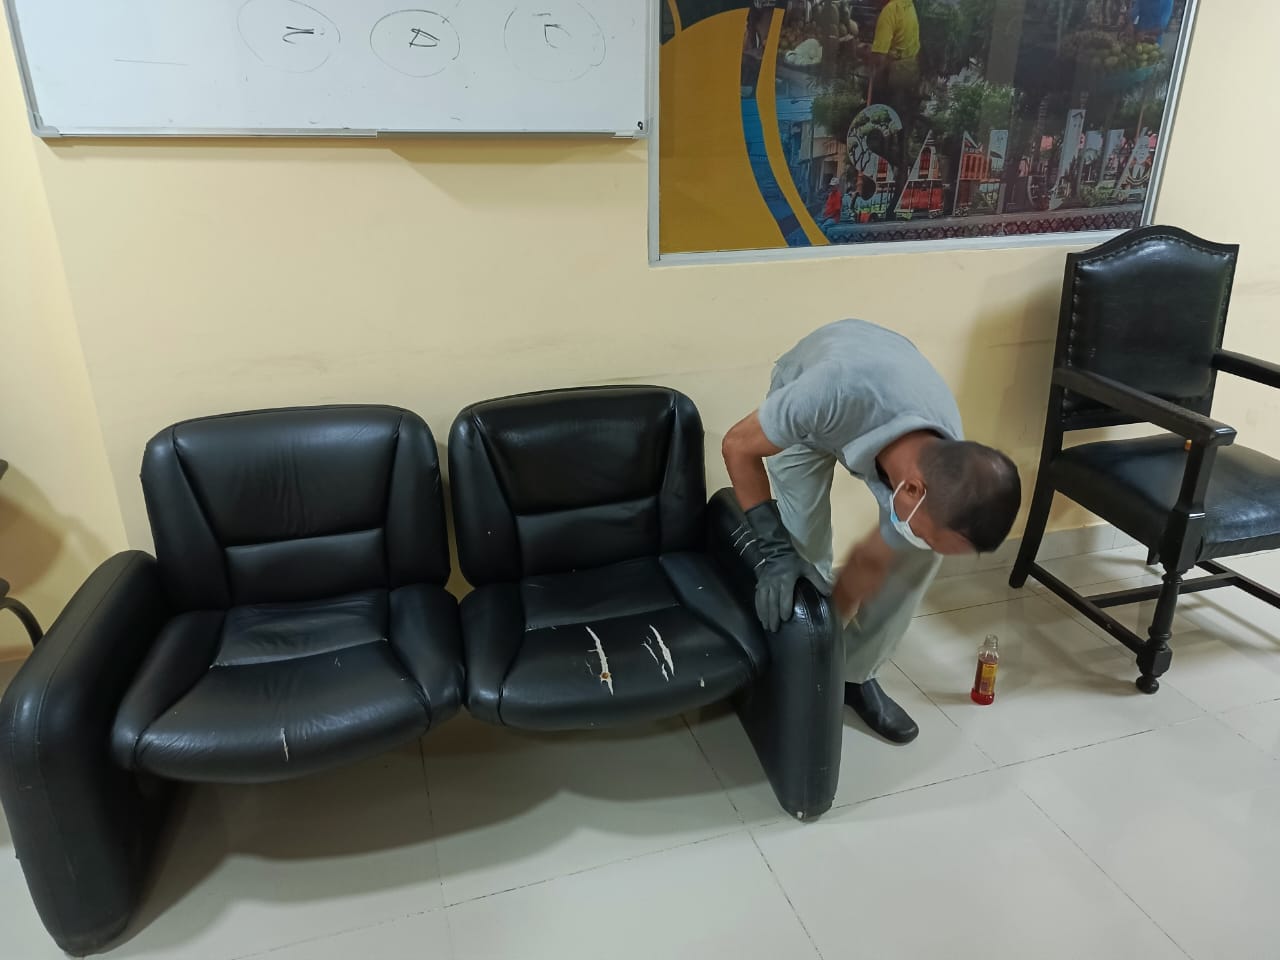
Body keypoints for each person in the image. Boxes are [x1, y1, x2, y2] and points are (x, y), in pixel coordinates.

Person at [721, 319, 1021, 744]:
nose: (928, 543)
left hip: (885, 380)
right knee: (801, 551)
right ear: (912, 489)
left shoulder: (950, 460)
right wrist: (775, 550)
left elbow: (872, 559)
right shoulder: (826, 393)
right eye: (930, 534)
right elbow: (737, 445)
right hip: (822, 396)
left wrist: (837, 632)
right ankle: (793, 669)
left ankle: (853, 675)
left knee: (914, 557)